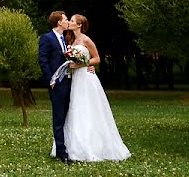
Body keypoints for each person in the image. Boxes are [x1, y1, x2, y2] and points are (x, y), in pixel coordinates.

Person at [55, 14, 131, 162]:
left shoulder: (86, 39)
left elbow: (97, 58)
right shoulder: (70, 39)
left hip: (86, 78)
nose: (69, 23)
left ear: (79, 25)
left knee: (88, 108)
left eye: (71, 21)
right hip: (75, 79)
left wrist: (82, 64)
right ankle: (74, 146)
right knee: (76, 108)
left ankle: (94, 146)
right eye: (69, 20)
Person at [38, 11, 73, 165]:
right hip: (57, 84)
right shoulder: (47, 38)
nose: (68, 22)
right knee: (58, 119)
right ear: (59, 22)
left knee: (68, 116)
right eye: (66, 19)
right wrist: (51, 79)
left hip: (70, 82)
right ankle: (61, 153)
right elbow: (43, 60)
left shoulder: (65, 39)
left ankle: (70, 147)